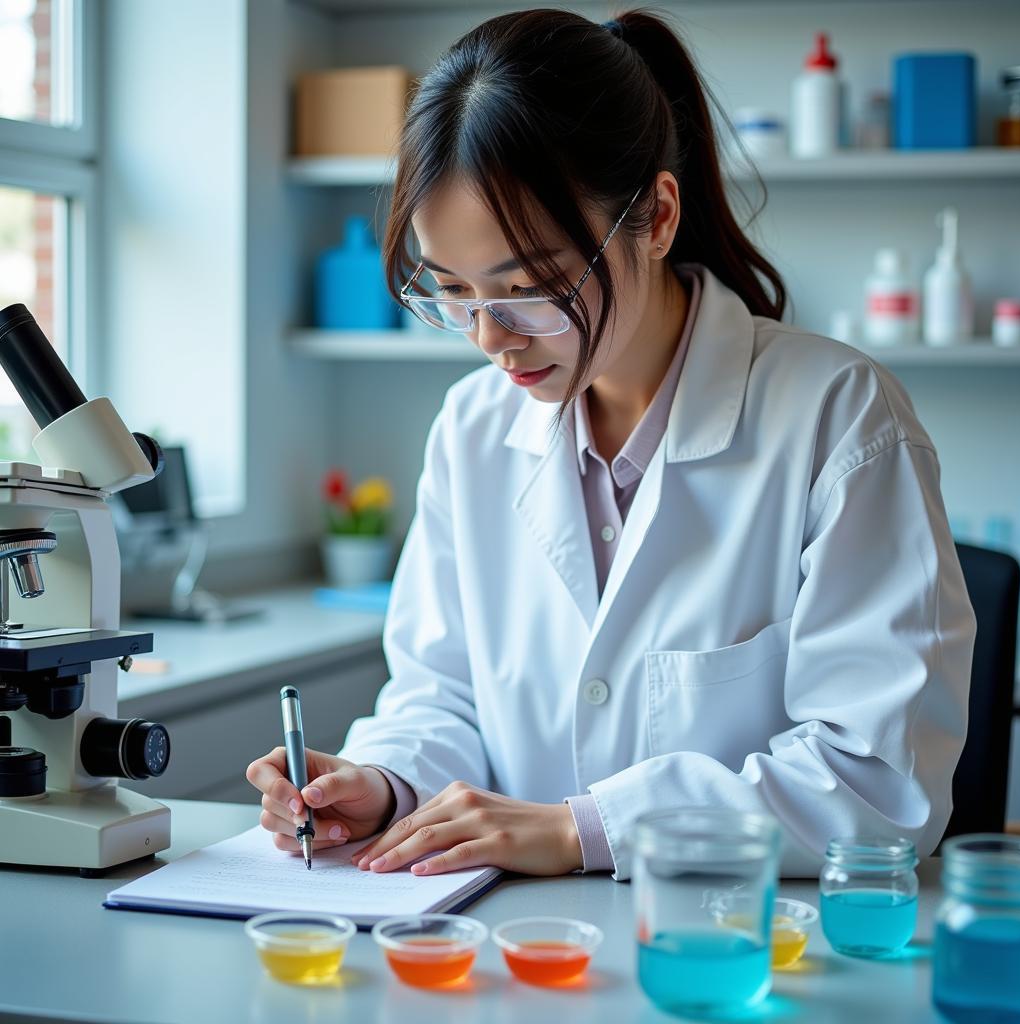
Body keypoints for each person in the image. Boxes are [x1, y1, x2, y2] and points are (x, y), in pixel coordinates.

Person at [247, 8, 974, 881]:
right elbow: (441, 693)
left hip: (737, 955)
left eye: (531, 288)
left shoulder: (839, 419)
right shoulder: (474, 429)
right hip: (511, 954)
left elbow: (877, 783)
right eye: (452, 292)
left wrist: (584, 830)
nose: (491, 337)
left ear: (657, 216)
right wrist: (388, 783)